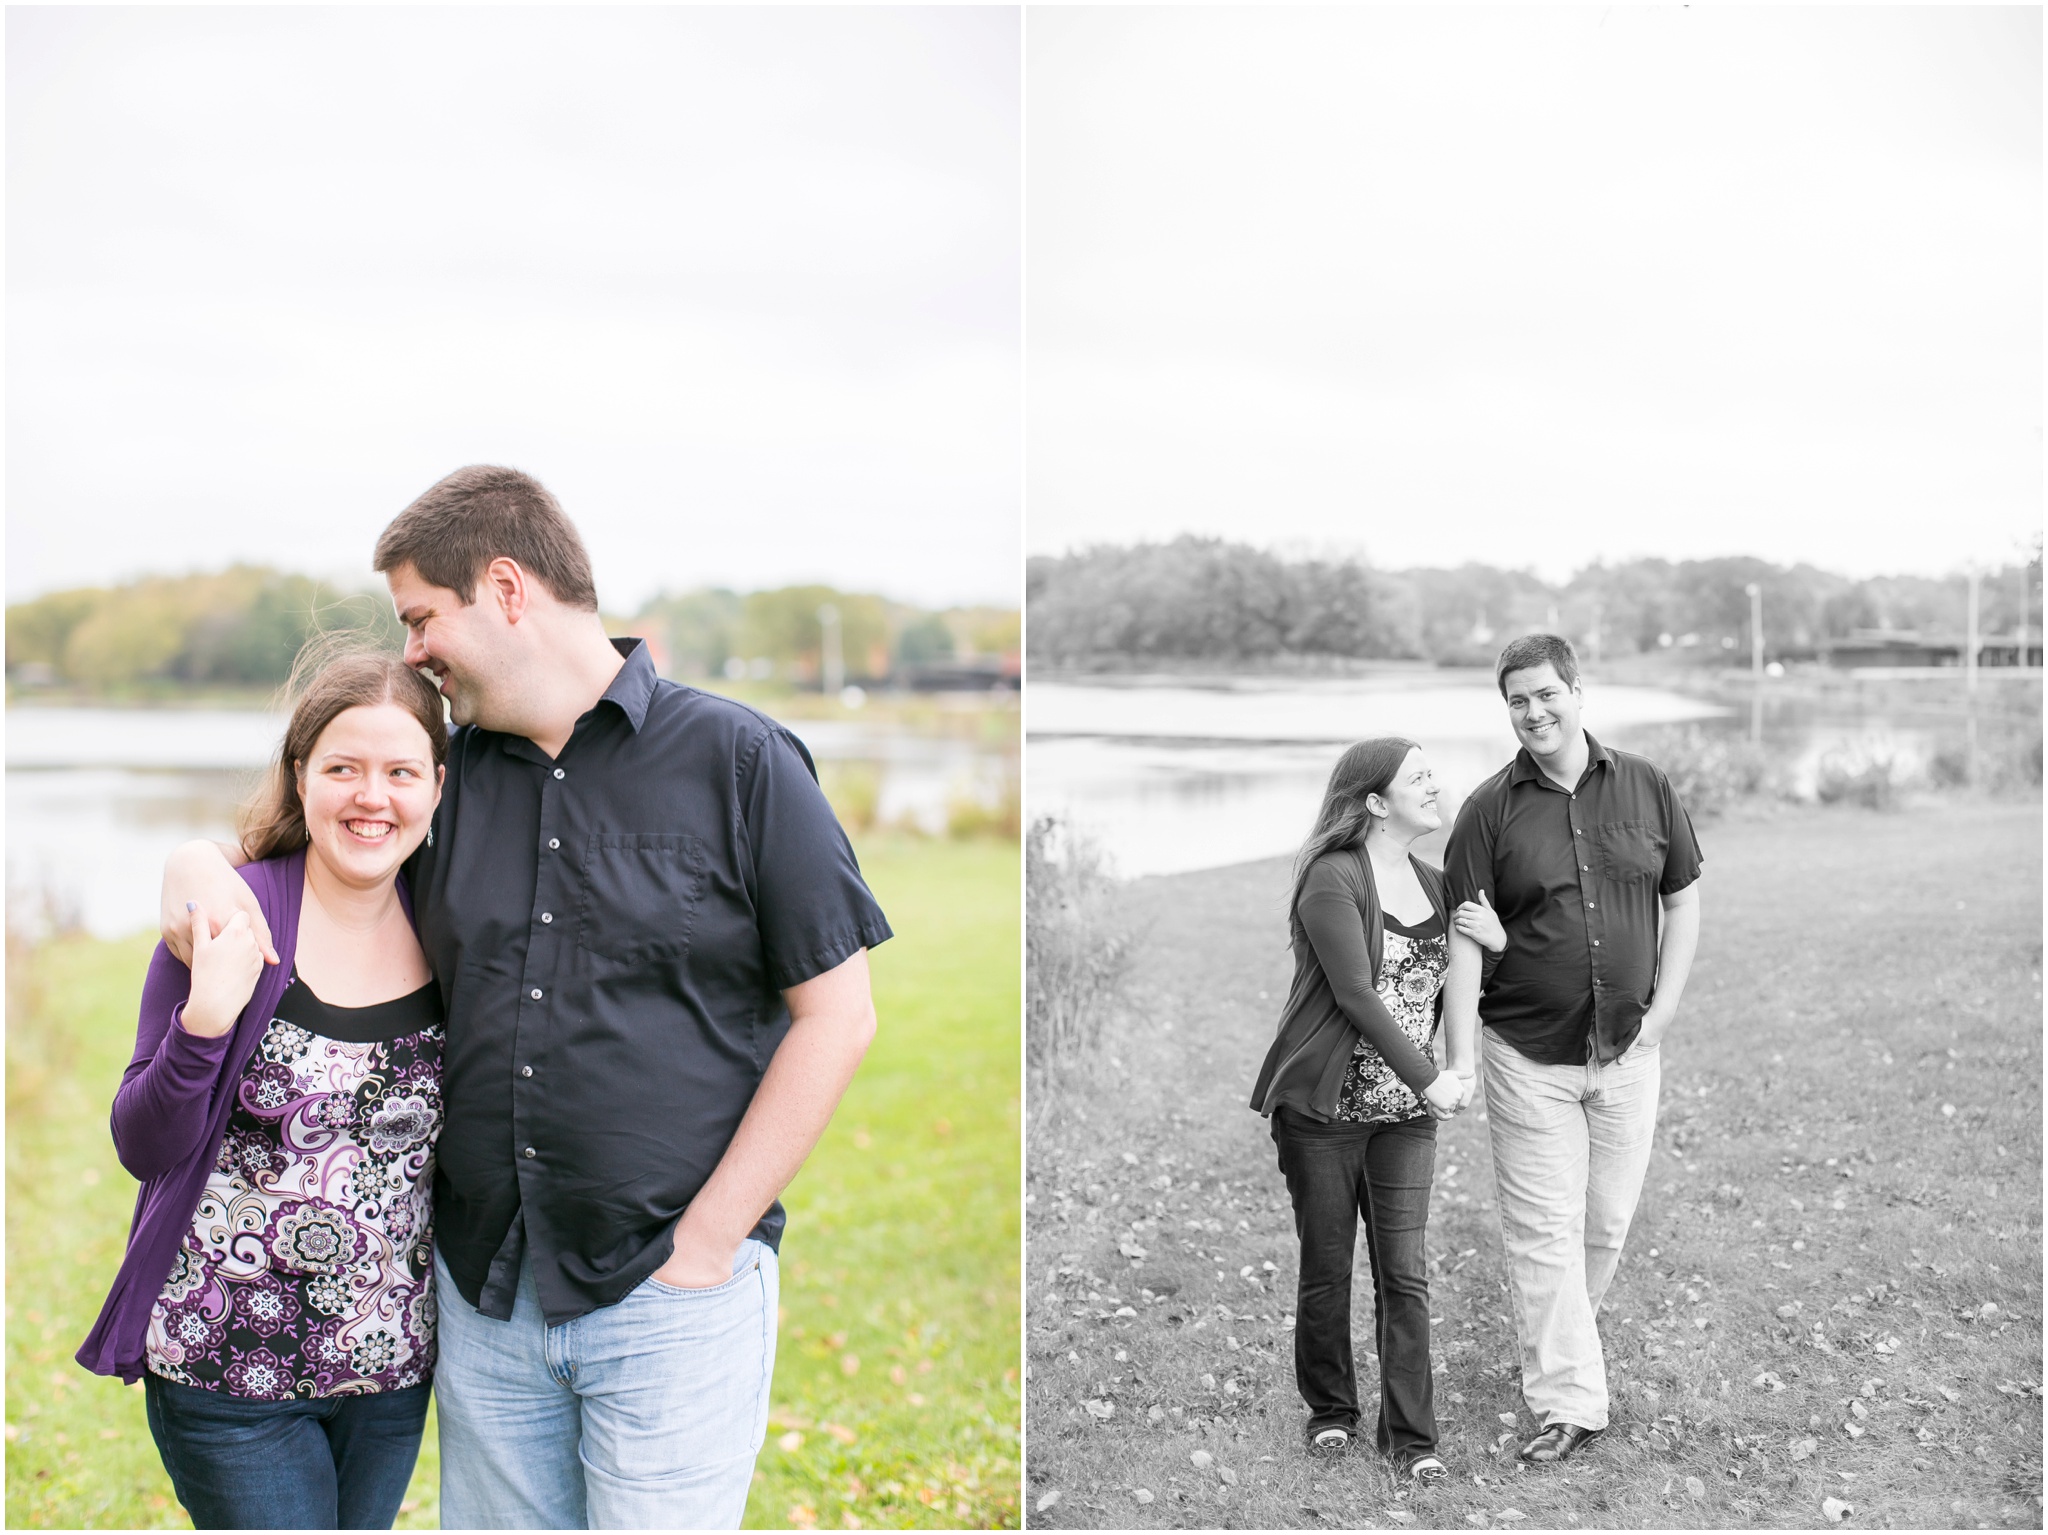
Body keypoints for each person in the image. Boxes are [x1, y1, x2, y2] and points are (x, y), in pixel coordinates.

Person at [157, 466, 892, 1530]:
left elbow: (839, 1012)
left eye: (421, 615)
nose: (412, 648)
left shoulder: (740, 761)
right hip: (485, 1296)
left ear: (505, 588)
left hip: (669, 1292)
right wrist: (191, 862)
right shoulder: (446, 781)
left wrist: (708, 1240)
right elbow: (301, 846)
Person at [79, 652, 449, 1529]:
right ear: (301, 776)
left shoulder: (454, 920)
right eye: (343, 769)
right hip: (227, 1365)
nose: (372, 796)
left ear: (437, 784)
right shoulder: (233, 915)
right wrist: (204, 1022)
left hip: (388, 1365)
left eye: (399, 771)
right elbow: (143, 1142)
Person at [1440, 633, 1702, 1466]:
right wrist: (1462, 1059)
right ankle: (1571, 1400)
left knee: (1606, 1224)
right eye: (1517, 699)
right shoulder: (1488, 809)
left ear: (1577, 691)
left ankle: (1559, 1350)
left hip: (1630, 1050)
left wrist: (1662, 1014)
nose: (1533, 712)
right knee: (1542, 1231)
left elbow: (1684, 896)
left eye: (1546, 693)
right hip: (1527, 1054)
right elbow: (1464, 943)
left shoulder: (1647, 785)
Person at [1249, 737, 1504, 1480]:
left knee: (1406, 1272)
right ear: (1374, 801)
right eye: (1417, 776)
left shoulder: (1438, 880)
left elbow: (1465, 973)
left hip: (1404, 1116)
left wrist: (1460, 1066)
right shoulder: (1332, 879)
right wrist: (1432, 1078)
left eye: (1433, 772)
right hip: (1322, 1112)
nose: (1435, 784)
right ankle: (1331, 1411)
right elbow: (1357, 993)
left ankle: (1412, 1436)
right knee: (1327, 1266)